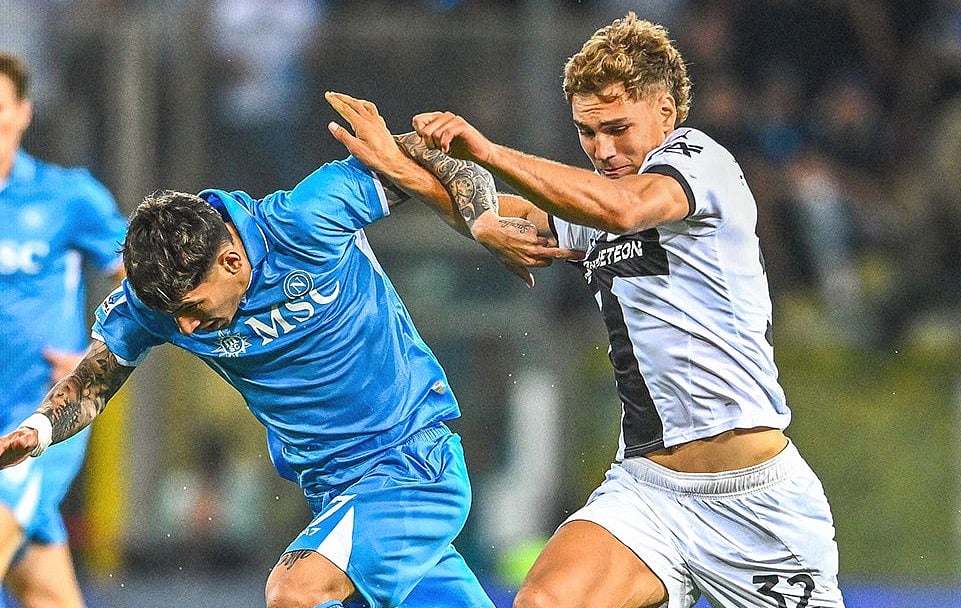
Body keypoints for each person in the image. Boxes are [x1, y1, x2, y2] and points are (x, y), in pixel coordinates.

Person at [335, 12, 846, 608]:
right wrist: (403, 171)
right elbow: (521, 218)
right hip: (650, 491)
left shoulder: (701, 163)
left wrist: (492, 152)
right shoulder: (603, 204)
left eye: (617, 128)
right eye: (587, 132)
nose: (603, 149)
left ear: (665, 111)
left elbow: (622, 209)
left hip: (756, 504)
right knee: (543, 602)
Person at [0, 90, 570, 608]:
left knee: (293, 591)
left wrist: (483, 219)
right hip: (332, 492)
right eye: (176, 316)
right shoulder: (160, 302)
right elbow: (97, 378)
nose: (189, 331)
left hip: (409, 464)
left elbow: (422, 153)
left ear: (230, 261)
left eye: (195, 309)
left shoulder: (305, 220)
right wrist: (39, 430)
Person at [0, 52, 127, 608]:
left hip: (37, 418)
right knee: (47, 592)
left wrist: (96, 353)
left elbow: (146, 274)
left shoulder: (67, 196)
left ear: (23, 113)